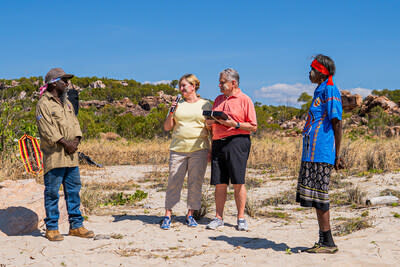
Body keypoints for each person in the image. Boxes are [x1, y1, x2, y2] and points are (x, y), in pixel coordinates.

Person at [36, 68, 94, 241]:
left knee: (74, 191)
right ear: (54, 83)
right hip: (55, 156)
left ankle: (76, 226)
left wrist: (75, 142)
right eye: (64, 81)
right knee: (53, 192)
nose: (67, 84)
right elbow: (47, 129)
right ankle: (52, 228)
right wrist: (65, 143)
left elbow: (75, 124)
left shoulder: (67, 103)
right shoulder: (43, 104)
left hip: (71, 156)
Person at [296, 54, 343, 253]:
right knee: (316, 198)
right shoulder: (320, 90)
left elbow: (337, 122)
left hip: (322, 152)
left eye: (312, 69)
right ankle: (324, 241)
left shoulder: (330, 90)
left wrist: (337, 155)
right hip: (311, 152)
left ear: (321, 72)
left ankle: (328, 243)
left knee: (321, 197)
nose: (309, 73)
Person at [206, 68, 257, 231]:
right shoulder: (218, 99)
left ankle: (241, 218)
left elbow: (253, 126)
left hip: (238, 141)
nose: (219, 85)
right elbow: (213, 124)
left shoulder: (245, 99)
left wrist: (233, 124)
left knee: (238, 181)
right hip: (218, 142)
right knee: (219, 182)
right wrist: (211, 123)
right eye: (219, 82)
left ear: (233, 82)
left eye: (222, 82)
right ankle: (218, 217)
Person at [161, 74, 212, 230]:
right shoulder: (177, 105)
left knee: (195, 182)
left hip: (199, 148)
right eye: (180, 86)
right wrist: (171, 111)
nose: (181, 88)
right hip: (178, 149)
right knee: (173, 181)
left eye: (184, 85)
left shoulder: (206, 104)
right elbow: (167, 127)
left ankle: (190, 215)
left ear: (194, 86)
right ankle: (168, 215)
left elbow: (210, 128)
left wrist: (211, 149)